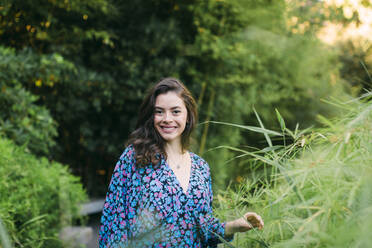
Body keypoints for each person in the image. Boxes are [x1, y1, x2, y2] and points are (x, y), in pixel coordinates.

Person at [98, 78, 264, 248]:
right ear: (151, 116)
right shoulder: (135, 158)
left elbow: (202, 228)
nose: (167, 119)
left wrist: (234, 226)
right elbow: (114, 225)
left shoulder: (201, 167)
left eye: (175, 111)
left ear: (188, 116)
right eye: (159, 112)